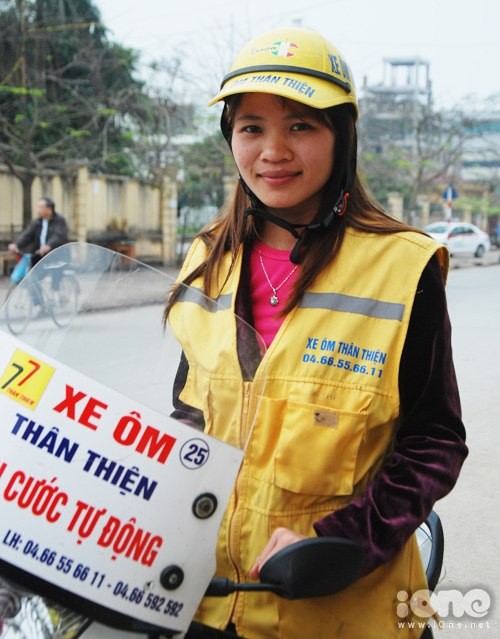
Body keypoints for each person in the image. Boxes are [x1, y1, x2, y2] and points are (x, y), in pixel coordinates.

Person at [164, 27, 468, 639]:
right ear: (231, 138)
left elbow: (434, 440)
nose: (272, 150)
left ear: (341, 137)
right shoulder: (205, 257)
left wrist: (343, 542)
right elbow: (189, 413)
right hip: (209, 598)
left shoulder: (402, 267)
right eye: (251, 127)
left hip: (344, 607)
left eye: (301, 125)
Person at [8, 196, 68, 268]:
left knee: (55, 277)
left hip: (55, 257)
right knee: (34, 277)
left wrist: (49, 246)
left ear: (49, 209)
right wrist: (16, 244)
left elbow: (58, 235)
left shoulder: (59, 220)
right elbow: (27, 235)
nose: (37, 210)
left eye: (40, 207)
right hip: (39, 256)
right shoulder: (37, 222)